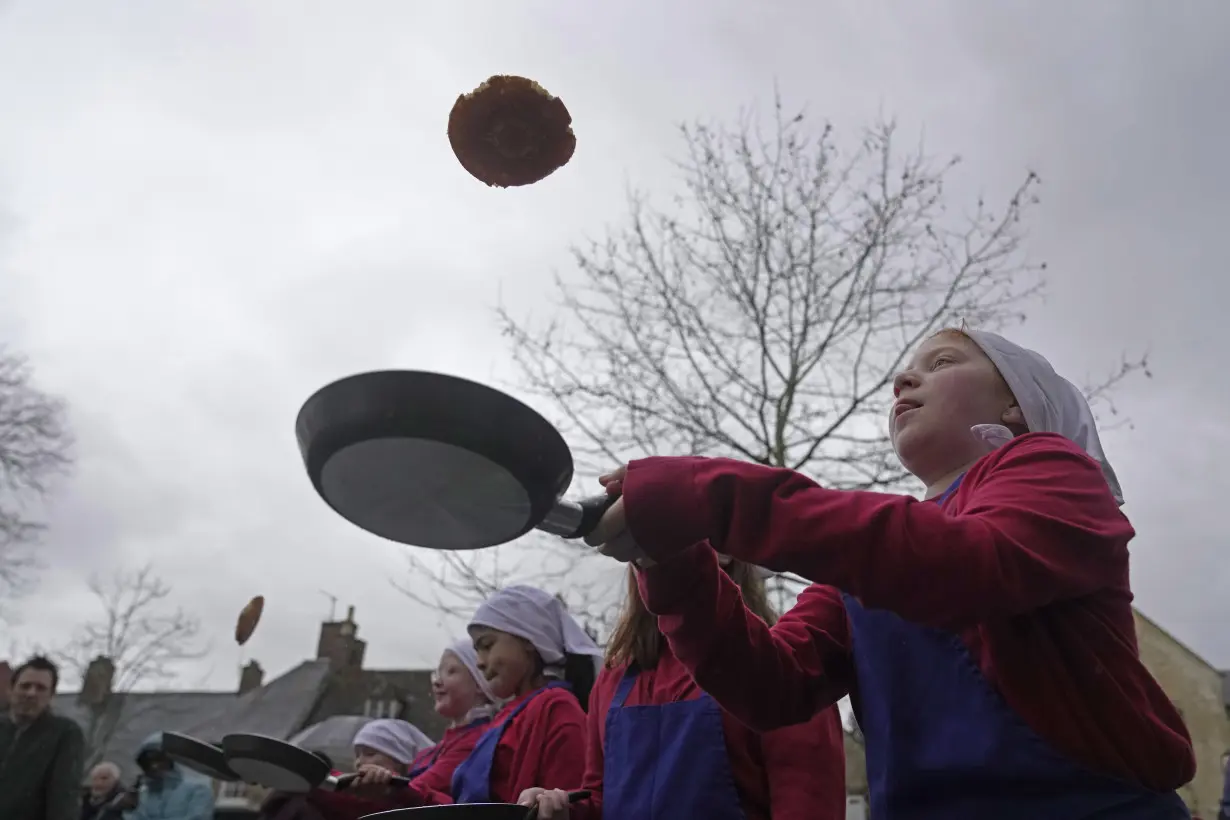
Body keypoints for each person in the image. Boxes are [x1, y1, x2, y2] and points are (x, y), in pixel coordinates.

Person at [584, 328, 1196, 819]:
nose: (905, 377)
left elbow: (964, 565)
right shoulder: (871, 564)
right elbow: (771, 684)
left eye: (943, 361)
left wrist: (711, 496)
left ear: (1016, 405)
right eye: (908, 368)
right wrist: (675, 564)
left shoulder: (1055, 470)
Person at [519, 556, 846, 820]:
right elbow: (601, 796)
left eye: (666, 530)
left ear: (723, 553)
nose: (649, 550)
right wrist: (563, 809)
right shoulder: (614, 678)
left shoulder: (780, 665)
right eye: (641, 538)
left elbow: (808, 804)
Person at [339, 585, 600, 809]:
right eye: (476, 651)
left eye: (487, 646)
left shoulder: (557, 708)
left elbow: (569, 805)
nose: (481, 663)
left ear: (530, 639)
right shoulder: (508, 716)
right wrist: (395, 791)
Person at [0, 655, 86, 820]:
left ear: (51, 696)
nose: (31, 693)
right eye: (25, 686)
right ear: (11, 690)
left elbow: (64, 796)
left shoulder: (64, 733)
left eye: (41, 688)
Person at [120, 733, 214, 820]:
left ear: (172, 760)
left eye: (159, 760)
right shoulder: (144, 795)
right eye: (148, 763)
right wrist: (129, 808)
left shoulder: (198, 789)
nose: (154, 766)